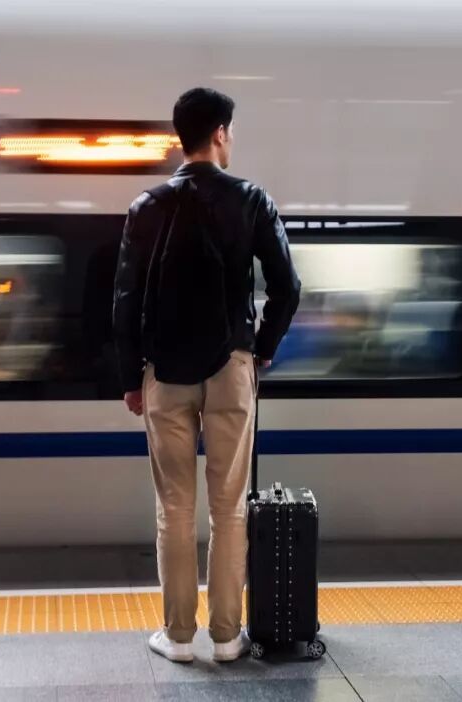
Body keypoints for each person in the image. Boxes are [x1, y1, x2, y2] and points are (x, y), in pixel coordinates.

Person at [112, 87, 301, 662]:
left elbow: (125, 302)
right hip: (231, 368)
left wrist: (130, 378)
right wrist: (261, 349)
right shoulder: (251, 200)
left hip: (165, 374)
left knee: (174, 507)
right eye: (231, 131)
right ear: (219, 133)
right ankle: (225, 637)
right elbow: (287, 287)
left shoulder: (147, 207)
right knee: (229, 506)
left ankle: (178, 637)